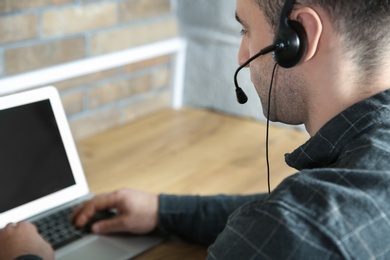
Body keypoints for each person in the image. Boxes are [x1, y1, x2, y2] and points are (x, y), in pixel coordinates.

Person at [1, 0, 390, 258]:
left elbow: (282, 226)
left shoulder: (291, 235)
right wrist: (163, 211)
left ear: (298, 37)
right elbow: (282, 214)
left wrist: (27, 258)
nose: (241, 55)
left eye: (245, 30)